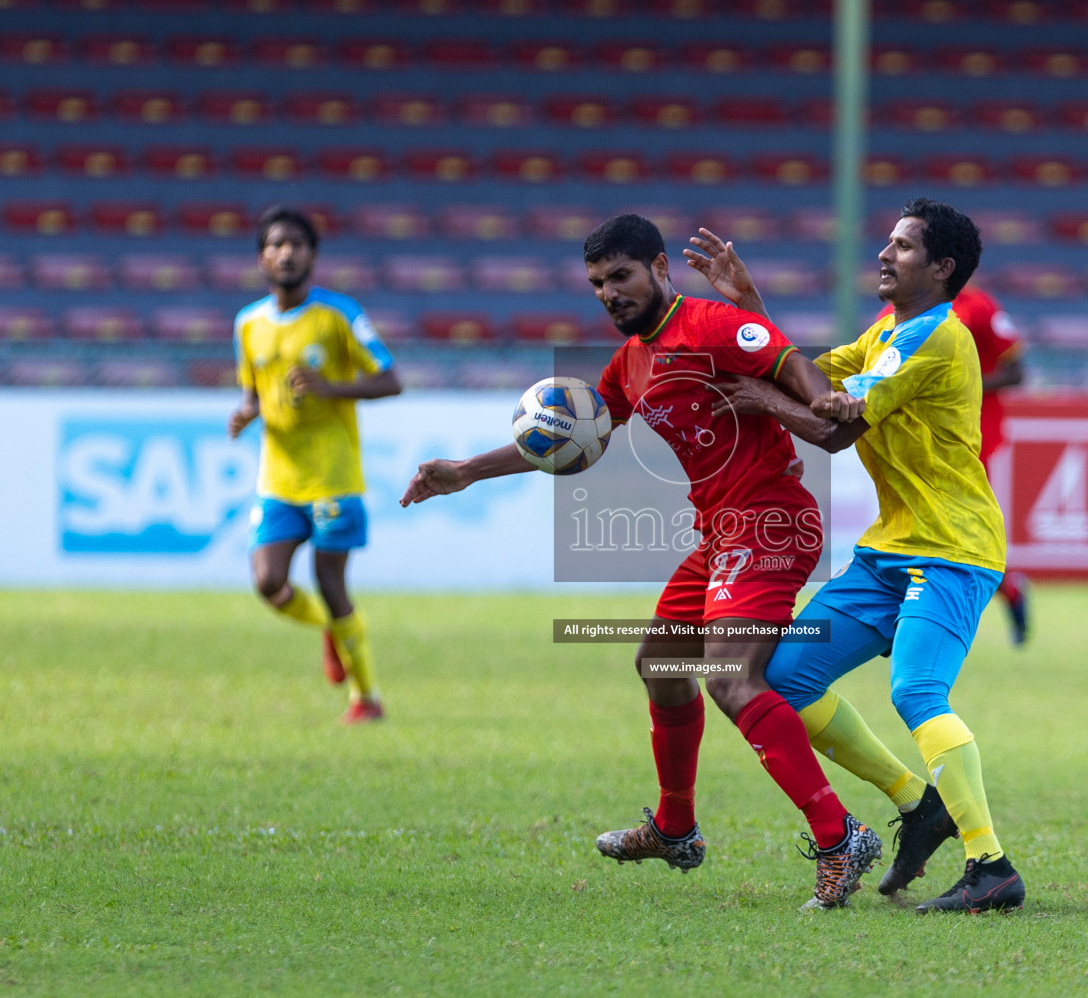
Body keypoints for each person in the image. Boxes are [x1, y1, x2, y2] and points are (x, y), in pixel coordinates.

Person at [400, 214, 880, 909]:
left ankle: (840, 838)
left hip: (771, 521)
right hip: (720, 531)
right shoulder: (629, 362)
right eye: (597, 283)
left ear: (659, 268)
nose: (608, 293)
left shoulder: (714, 325)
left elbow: (791, 368)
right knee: (661, 664)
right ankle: (675, 828)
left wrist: (818, 397)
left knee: (731, 679)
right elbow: (566, 437)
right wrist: (468, 471)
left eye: (620, 277)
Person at [685, 198, 1025, 914]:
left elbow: (833, 427)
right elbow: (805, 377)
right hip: (888, 551)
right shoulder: (886, 332)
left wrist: (763, 400)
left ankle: (990, 866)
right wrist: (749, 306)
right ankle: (916, 802)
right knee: (784, 677)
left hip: (952, 550)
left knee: (916, 693)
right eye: (888, 242)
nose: (884, 253)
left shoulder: (935, 339)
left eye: (902, 246)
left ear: (942, 268)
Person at [228, 205, 402, 724]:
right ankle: (330, 630)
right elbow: (254, 392)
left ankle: (366, 698)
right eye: (276, 245)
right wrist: (245, 413)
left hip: (333, 476)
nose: (286, 253)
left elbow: (391, 379)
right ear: (262, 257)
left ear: (312, 256)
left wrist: (332, 389)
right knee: (268, 583)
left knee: (331, 582)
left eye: (297, 244)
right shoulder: (248, 324)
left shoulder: (340, 315)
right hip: (278, 479)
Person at [949, 285, 1032, 646]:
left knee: (963, 533)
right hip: (911, 441)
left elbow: (1016, 372)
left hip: (969, 439)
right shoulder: (892, 312)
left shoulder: (977, 306)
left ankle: (1009, 586)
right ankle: (1009, 585)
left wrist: (958, 386)